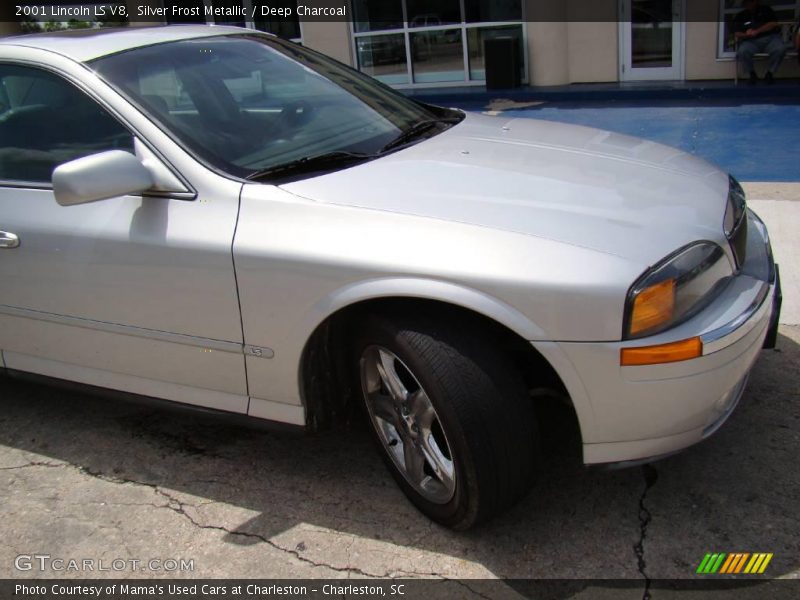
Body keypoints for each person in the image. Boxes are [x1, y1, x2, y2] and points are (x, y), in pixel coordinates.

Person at [734, 0, 786, 84]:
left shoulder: (766, 10)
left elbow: (773, 24)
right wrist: (746, 34)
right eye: (746, 2)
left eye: (751, 1)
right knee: (742, 51)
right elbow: (737, 33)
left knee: (780, 49)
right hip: (750, 41)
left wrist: (757, 31)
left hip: (769, 39)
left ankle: (770, 73)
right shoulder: (740, 16)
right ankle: (752, 74)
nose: (748, 4)